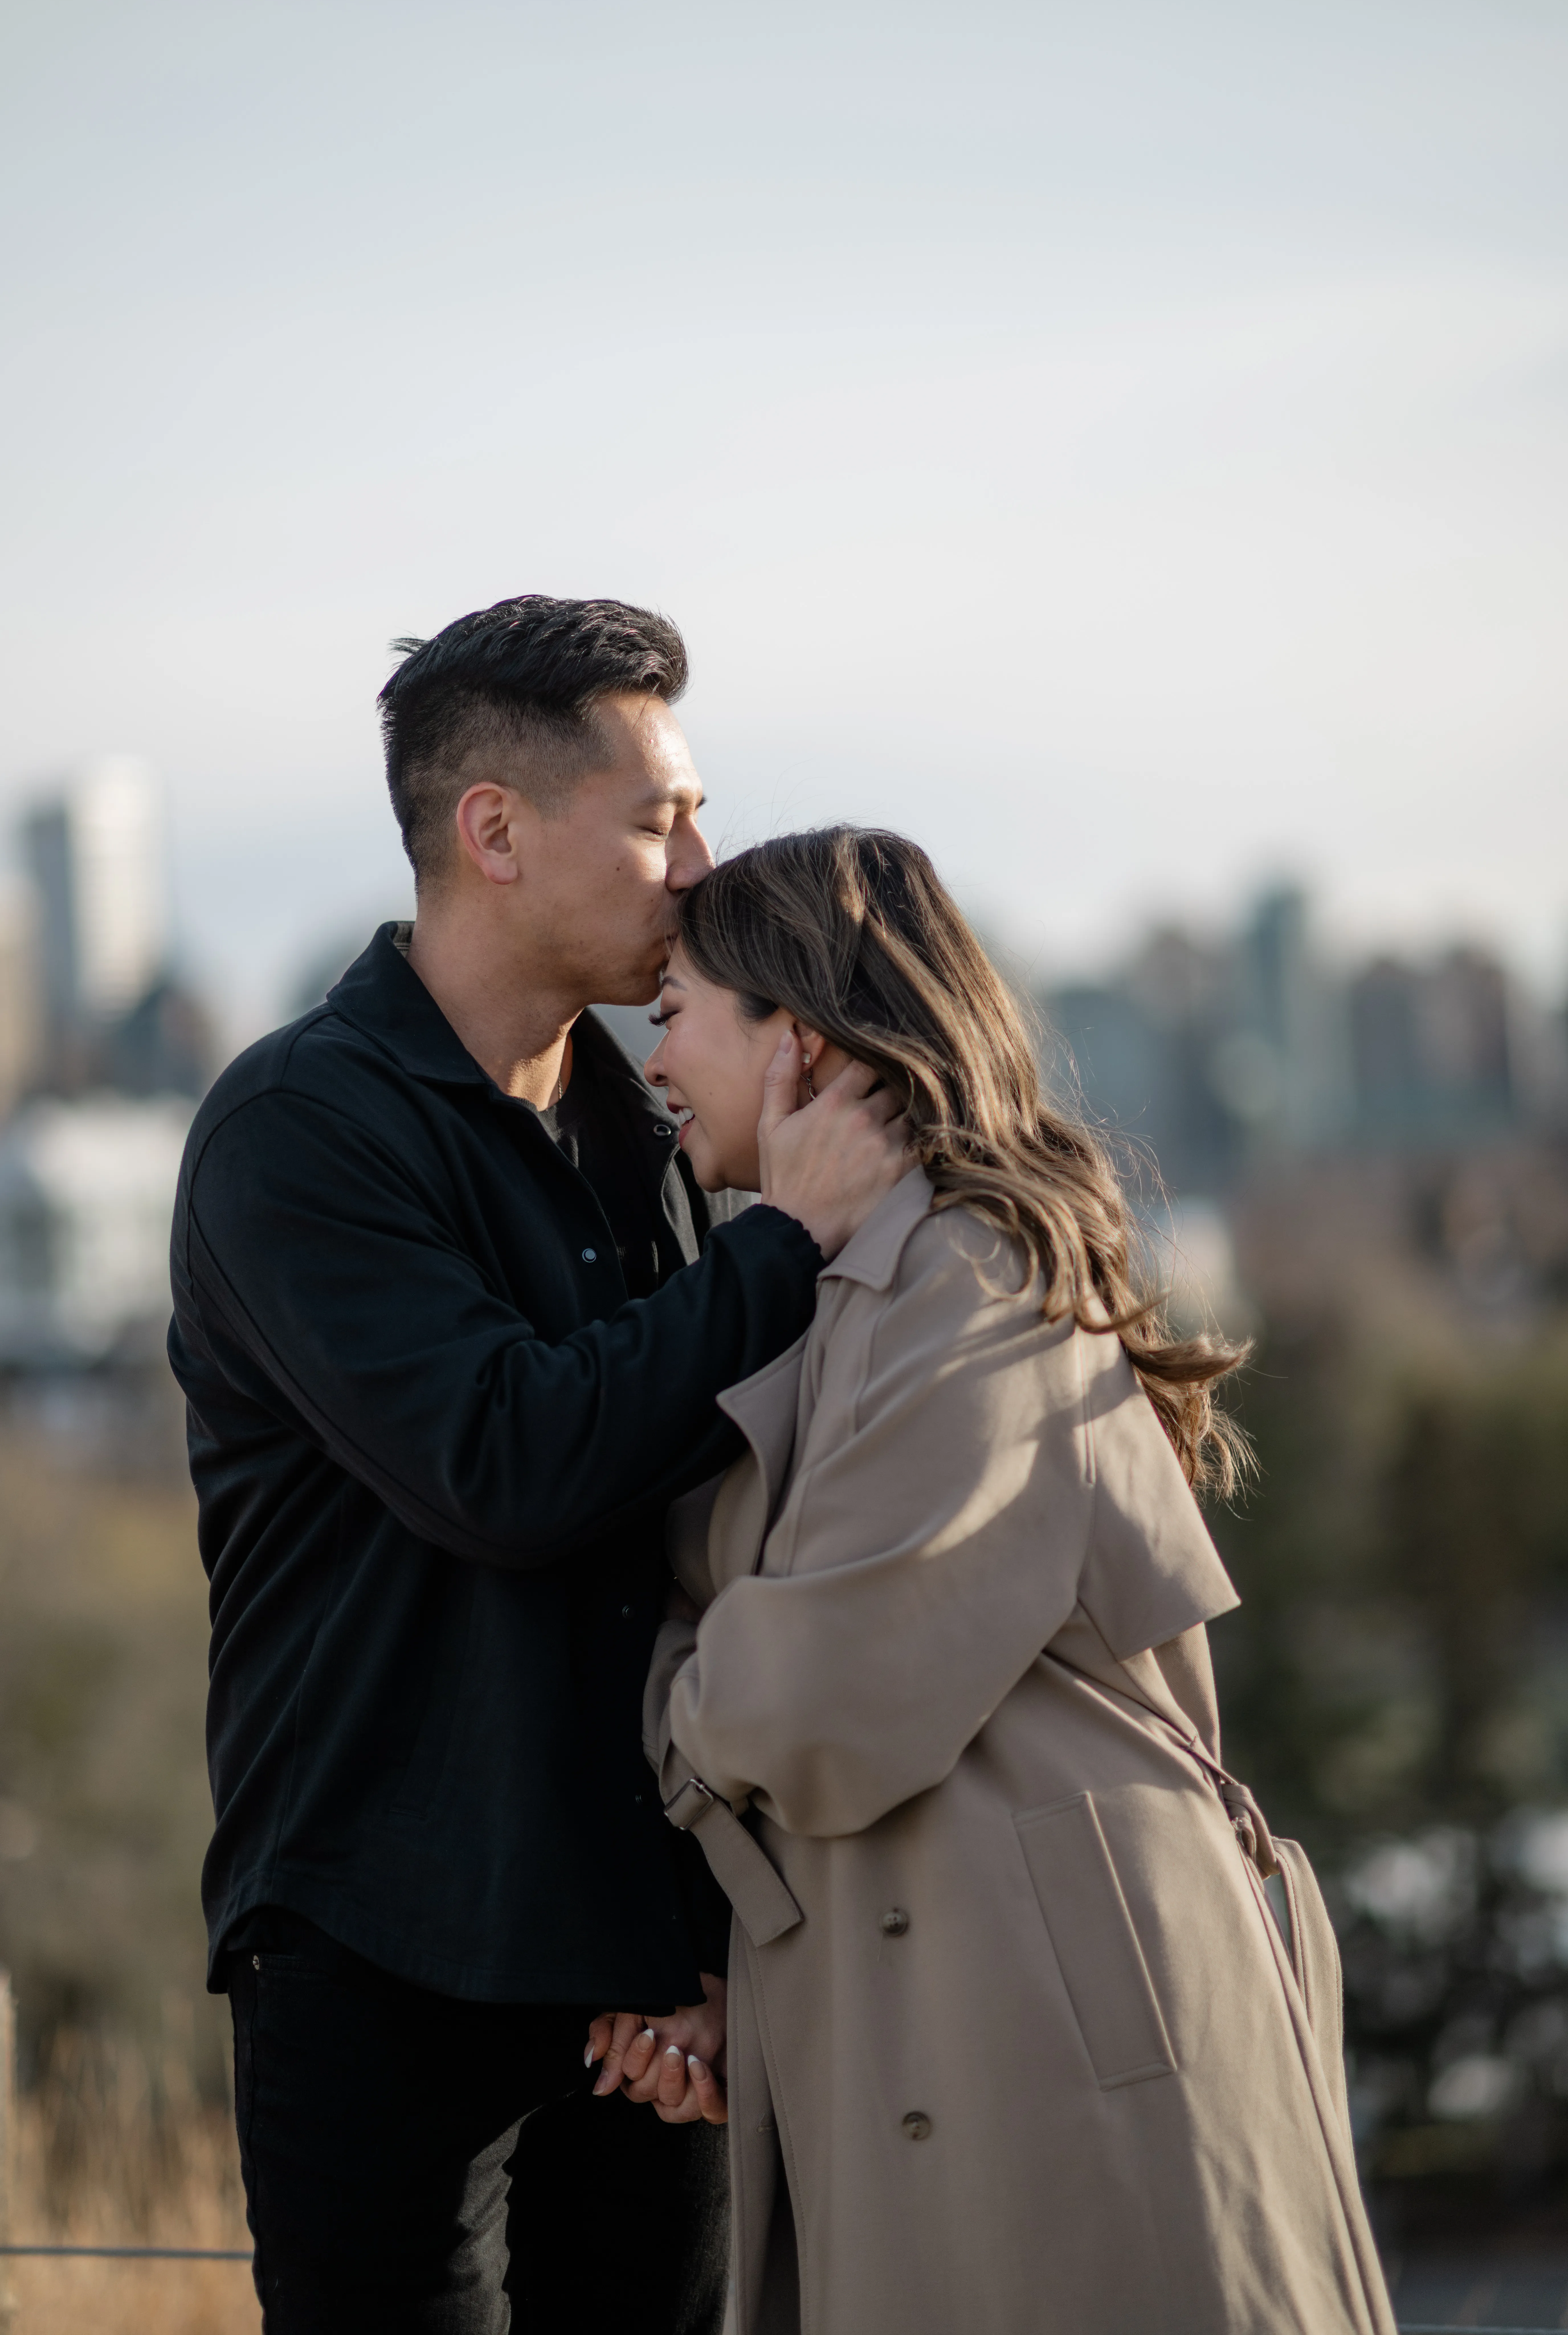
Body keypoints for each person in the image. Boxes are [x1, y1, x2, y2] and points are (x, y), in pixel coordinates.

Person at [166, 599, 909, 2335]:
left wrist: (710, 1941)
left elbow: (706, 1536)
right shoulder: (297, 1133)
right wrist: (783, 1244)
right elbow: (504, 1464)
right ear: (492, 831)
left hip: (642, 1986)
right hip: (379, 1957)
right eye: (659, 818)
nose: (702, 864)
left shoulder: (644, 1133)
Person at [604, 826, 1397, 2334]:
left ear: (802, 1044)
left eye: (677, 1014)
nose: (656, 1062)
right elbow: (735, 1661)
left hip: (1062, 2056)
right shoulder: (817, 1292)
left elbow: (815, 1694)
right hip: (925, 2032)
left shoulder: (982, 1271)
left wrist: (685, 1707)